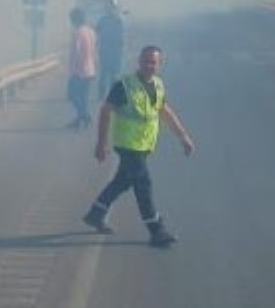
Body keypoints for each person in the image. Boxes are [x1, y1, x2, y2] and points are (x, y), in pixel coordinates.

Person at [83, 45, 195, 247]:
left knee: (123, 181)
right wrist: (101, 143)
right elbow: (105, 111)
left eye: (153, 62)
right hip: (128, 145)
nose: (149, 66)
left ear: (160, 64)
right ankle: (156, 230)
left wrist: (183, 136)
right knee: (144, 185)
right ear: (138, 62)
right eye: (145, 61)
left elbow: (164, 111)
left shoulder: (158, 85)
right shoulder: (124, 85)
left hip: (144, 145)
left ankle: (95, 213)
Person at [66, 8, 97, 131]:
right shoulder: (91, 31)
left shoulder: (78, 32)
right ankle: (80, 120)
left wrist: (72, 66)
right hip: (90, 69)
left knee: (72, 95)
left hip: (79, 70)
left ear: (74, 19)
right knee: (83, 97)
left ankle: (85, 116)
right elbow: (94, 49)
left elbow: (77, 52)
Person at [95, 1, 125, 101]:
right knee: (106, 74)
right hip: (108, 50)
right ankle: (103, 95)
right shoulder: (113, 20)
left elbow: (121, 37)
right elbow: (97, 32)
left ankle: (109, 95)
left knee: (112, 74)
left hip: (112, 50)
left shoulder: (116, 20)